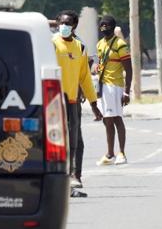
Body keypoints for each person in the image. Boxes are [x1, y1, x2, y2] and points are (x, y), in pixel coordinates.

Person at [52, 10, 103, 198]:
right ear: (58, 23)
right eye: (62, 23)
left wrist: (94, 104)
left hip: (72, 101)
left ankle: (75, 175)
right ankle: (60, 179)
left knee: (75, 141)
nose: (64, 27)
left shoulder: (80, 48)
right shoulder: (51, 44)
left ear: (74, 27)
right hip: (53, 102)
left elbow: (85, 78)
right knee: (56, 141)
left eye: (68, 24)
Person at [96, 15, 132, 166]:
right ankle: (110, 153)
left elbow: (129, 70)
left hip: (115, 86)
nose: (104, 27)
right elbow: (101, 64)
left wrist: (126, 91)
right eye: (102, 25)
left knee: (116, 119)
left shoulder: (120, 44)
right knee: (107, 119)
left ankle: (121, 153)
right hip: (104, 86)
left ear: (113, 27)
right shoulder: (99, 44)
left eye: (107, 25)